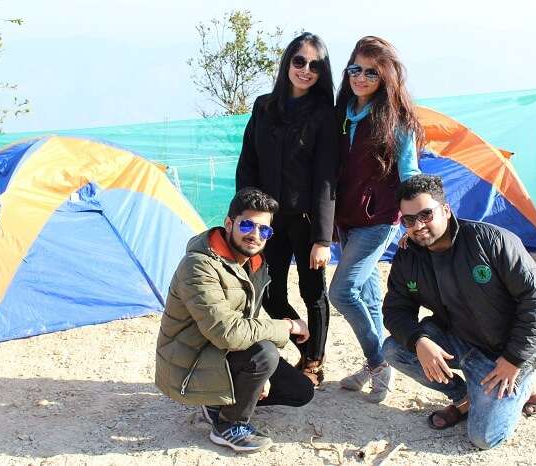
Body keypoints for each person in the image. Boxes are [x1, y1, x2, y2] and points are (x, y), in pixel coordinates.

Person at [382, 174, 536, 449]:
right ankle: (465, 398)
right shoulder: (408, 255)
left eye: (426, 215)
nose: (418, 226)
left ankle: (530, 385)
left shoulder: (490, 241)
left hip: (503, 352)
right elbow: (395, 309)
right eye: (409, 220)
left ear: (446, 210)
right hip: (457, 339)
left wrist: (515, 358)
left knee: (484, 438)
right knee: (393, 350)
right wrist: (419, 341)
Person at [155, 188, 314, 453]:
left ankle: (216, 402)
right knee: (265, 353)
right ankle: (228, 425)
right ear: (229, 223)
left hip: (217, 352)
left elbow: (245, 324)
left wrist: (255, 379)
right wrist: (286, 326)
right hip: (190, 364)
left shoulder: (253, 263)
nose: (255, 235)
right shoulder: (198, 265)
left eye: (264, 230)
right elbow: (227, 333)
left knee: (300, 391)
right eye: (248, 224)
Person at [236, 32, 338, 386]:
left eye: (314, 65)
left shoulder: (326, 114)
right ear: (287, 63)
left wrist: (323, 238)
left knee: (313, 293)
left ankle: (313, 362)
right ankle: (302, 336)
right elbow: (247, 162)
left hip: (307, 222)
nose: (305, 70)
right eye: (299, 61)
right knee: (270, 293)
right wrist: (244, 216)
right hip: (267, 223)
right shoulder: (264, 106)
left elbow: (327, 178)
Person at [329, 36, 423, 402]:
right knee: (367, 297)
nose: (362, 77)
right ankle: (379, 364)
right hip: (346, 221)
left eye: (371, 72)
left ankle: (378, 362)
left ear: (384, 77)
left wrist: (414, 222)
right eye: (356, 69)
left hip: (379, 220)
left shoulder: (396, 120)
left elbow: (409, 173)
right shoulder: (342, 113)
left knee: (341, 291)